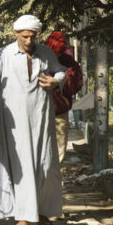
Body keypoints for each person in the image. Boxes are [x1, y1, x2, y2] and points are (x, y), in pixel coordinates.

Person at [0, 14, 67, 225]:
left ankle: (42, 212)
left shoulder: (45, 52)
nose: (29, 40)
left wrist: (55, 81)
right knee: (21, 166)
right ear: (16, 33)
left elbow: (60, 71)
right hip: (14, 123)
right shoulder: (3, 54)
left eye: (32, 36)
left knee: (45, 165)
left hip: (41, 118)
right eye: (24, 36)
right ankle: (23, 217)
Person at [44, 31, 83, 163]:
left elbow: (77, 84)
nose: (55, 55)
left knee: (59, 150)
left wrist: (59, 84)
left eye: (58, 53)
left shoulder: (69, 62)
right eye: (53, 52)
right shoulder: (36, 59)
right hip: (38, 111)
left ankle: (55, 172)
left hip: (60, 112)